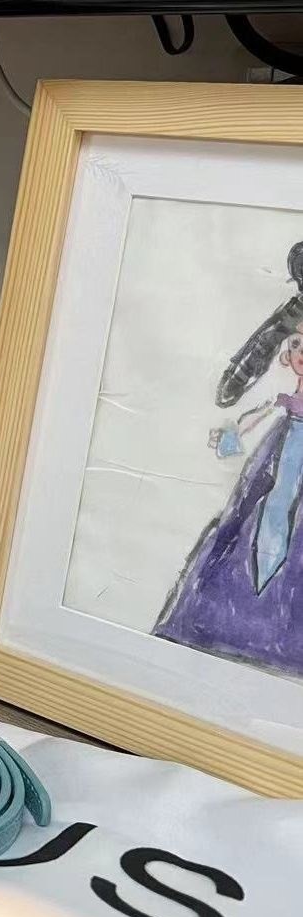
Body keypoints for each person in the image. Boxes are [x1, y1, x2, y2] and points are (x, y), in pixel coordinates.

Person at [154, 242, 303, 676]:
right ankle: (218, 623)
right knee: (252, 522)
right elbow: (242, 410)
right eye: (296, 343)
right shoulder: (281, 404)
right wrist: (230, 438)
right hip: (281, 450)